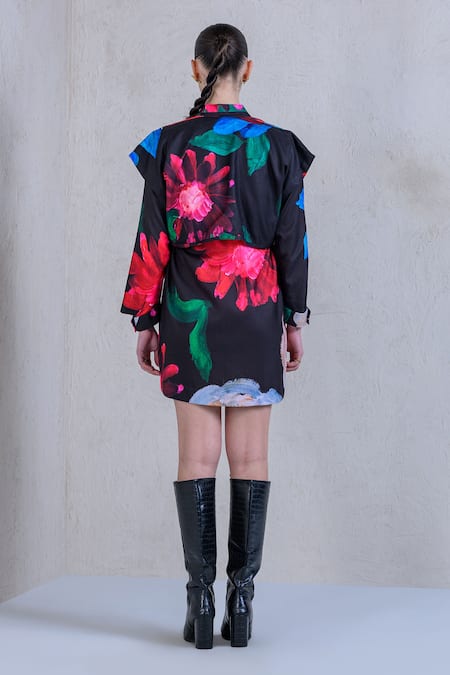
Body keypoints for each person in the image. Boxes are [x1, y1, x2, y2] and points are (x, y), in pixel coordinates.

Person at [120, 23, 315, 649]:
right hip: (255, 310)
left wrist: (145, 319)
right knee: (251, 461)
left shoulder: (167, 145)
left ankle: (200, 604)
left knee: (195, 460)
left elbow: (152, 239)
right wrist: (294, 319)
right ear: (246, 70)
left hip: (190, 311)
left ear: (195, 68)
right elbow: (293, 242)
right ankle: (243, 603)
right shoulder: (279, 147)